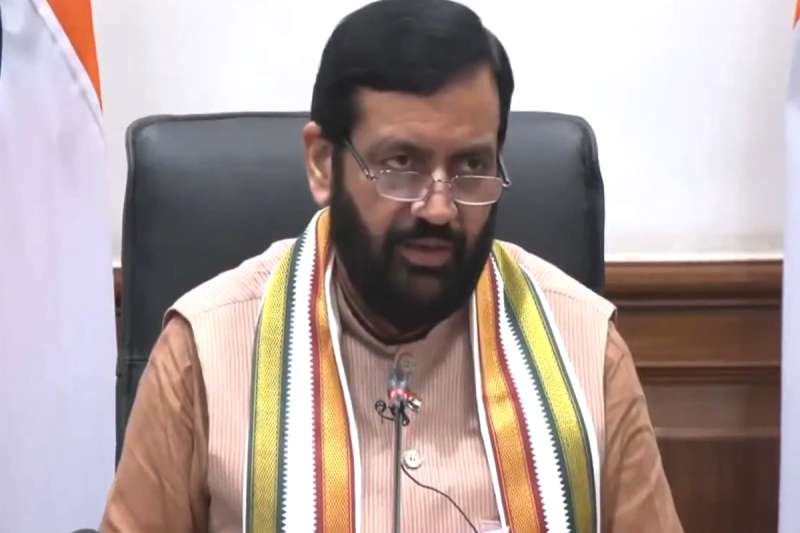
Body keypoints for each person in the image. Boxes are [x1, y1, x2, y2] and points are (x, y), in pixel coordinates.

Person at [102, 1, 683, 532]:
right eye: (401, 164)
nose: (439, 208)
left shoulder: (585, 348)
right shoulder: (204, 353)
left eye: (471, 166)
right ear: (322, 164)